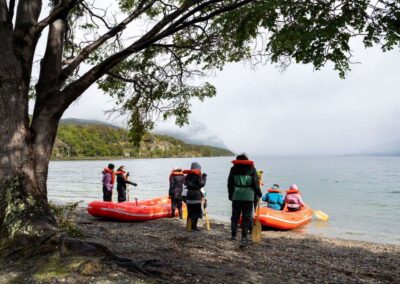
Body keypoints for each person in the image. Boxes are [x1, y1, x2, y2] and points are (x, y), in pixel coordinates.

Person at [228, 154, 262, 243]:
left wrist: (230, 195)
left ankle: (233, 236)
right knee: (246, 218)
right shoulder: (252, 169)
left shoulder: (233, 169)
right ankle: (244, 237)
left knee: (235, 216)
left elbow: (230, 184)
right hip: (248, 197)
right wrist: (259, 193)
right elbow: (255, 184)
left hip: (236, 196)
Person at [184, 162, 207, 231]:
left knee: (190, 212)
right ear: (198, 169)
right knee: (196, 213)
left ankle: (188, 227)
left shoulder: (187, 176)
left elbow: (185, 184)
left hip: (188, 195)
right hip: (196, 196)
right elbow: (202, 184)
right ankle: (194, 227)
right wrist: (204, 177)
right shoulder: (198, 176)